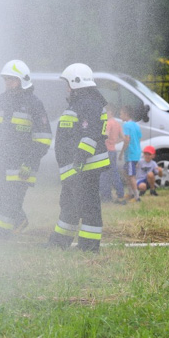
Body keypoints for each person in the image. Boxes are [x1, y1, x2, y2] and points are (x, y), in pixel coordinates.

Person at [0, 60, 51, 239]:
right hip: (0, 160)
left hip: (22, 163)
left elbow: (43, 138)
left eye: (12, 79)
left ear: (23, 80)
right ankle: (18, 218)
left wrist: (30, 162)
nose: (8, 83)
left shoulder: (34, 104)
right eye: (6, 79)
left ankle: (1, 234)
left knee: (12, 197)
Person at [48, 64, 110, 253]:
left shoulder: (89, 103)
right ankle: (59, 242)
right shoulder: (81, 103)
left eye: (67, 83)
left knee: (88, 206)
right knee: (69, 203)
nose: (66, 88)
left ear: (76, 82)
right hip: (76, 166)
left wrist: (80, 159)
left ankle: (89, 247)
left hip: (85, 166)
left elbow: (89, 135)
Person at [99, 104, 126, 203]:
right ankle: (120, 194)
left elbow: (105, 135)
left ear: (110, 112)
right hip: (113, 150)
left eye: (106, 112)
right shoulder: (116, 123)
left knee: (104, 174)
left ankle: (106, 196)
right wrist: (114, 142)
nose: (104, 114)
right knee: (114, 173)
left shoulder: (108, 123)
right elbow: (123, 137)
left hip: (106, 151)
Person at [120, 104, 142, 202]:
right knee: (125, 172)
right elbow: (139, 137)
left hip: (130, 154)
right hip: (136, 153)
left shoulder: (126, 125)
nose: (120, 116)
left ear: (126, 114)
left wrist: (121, 152)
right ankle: (130, 192)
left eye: (121, 114)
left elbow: (127, 140)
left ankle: (136, 196)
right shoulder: (136, 125)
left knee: (131, 175)